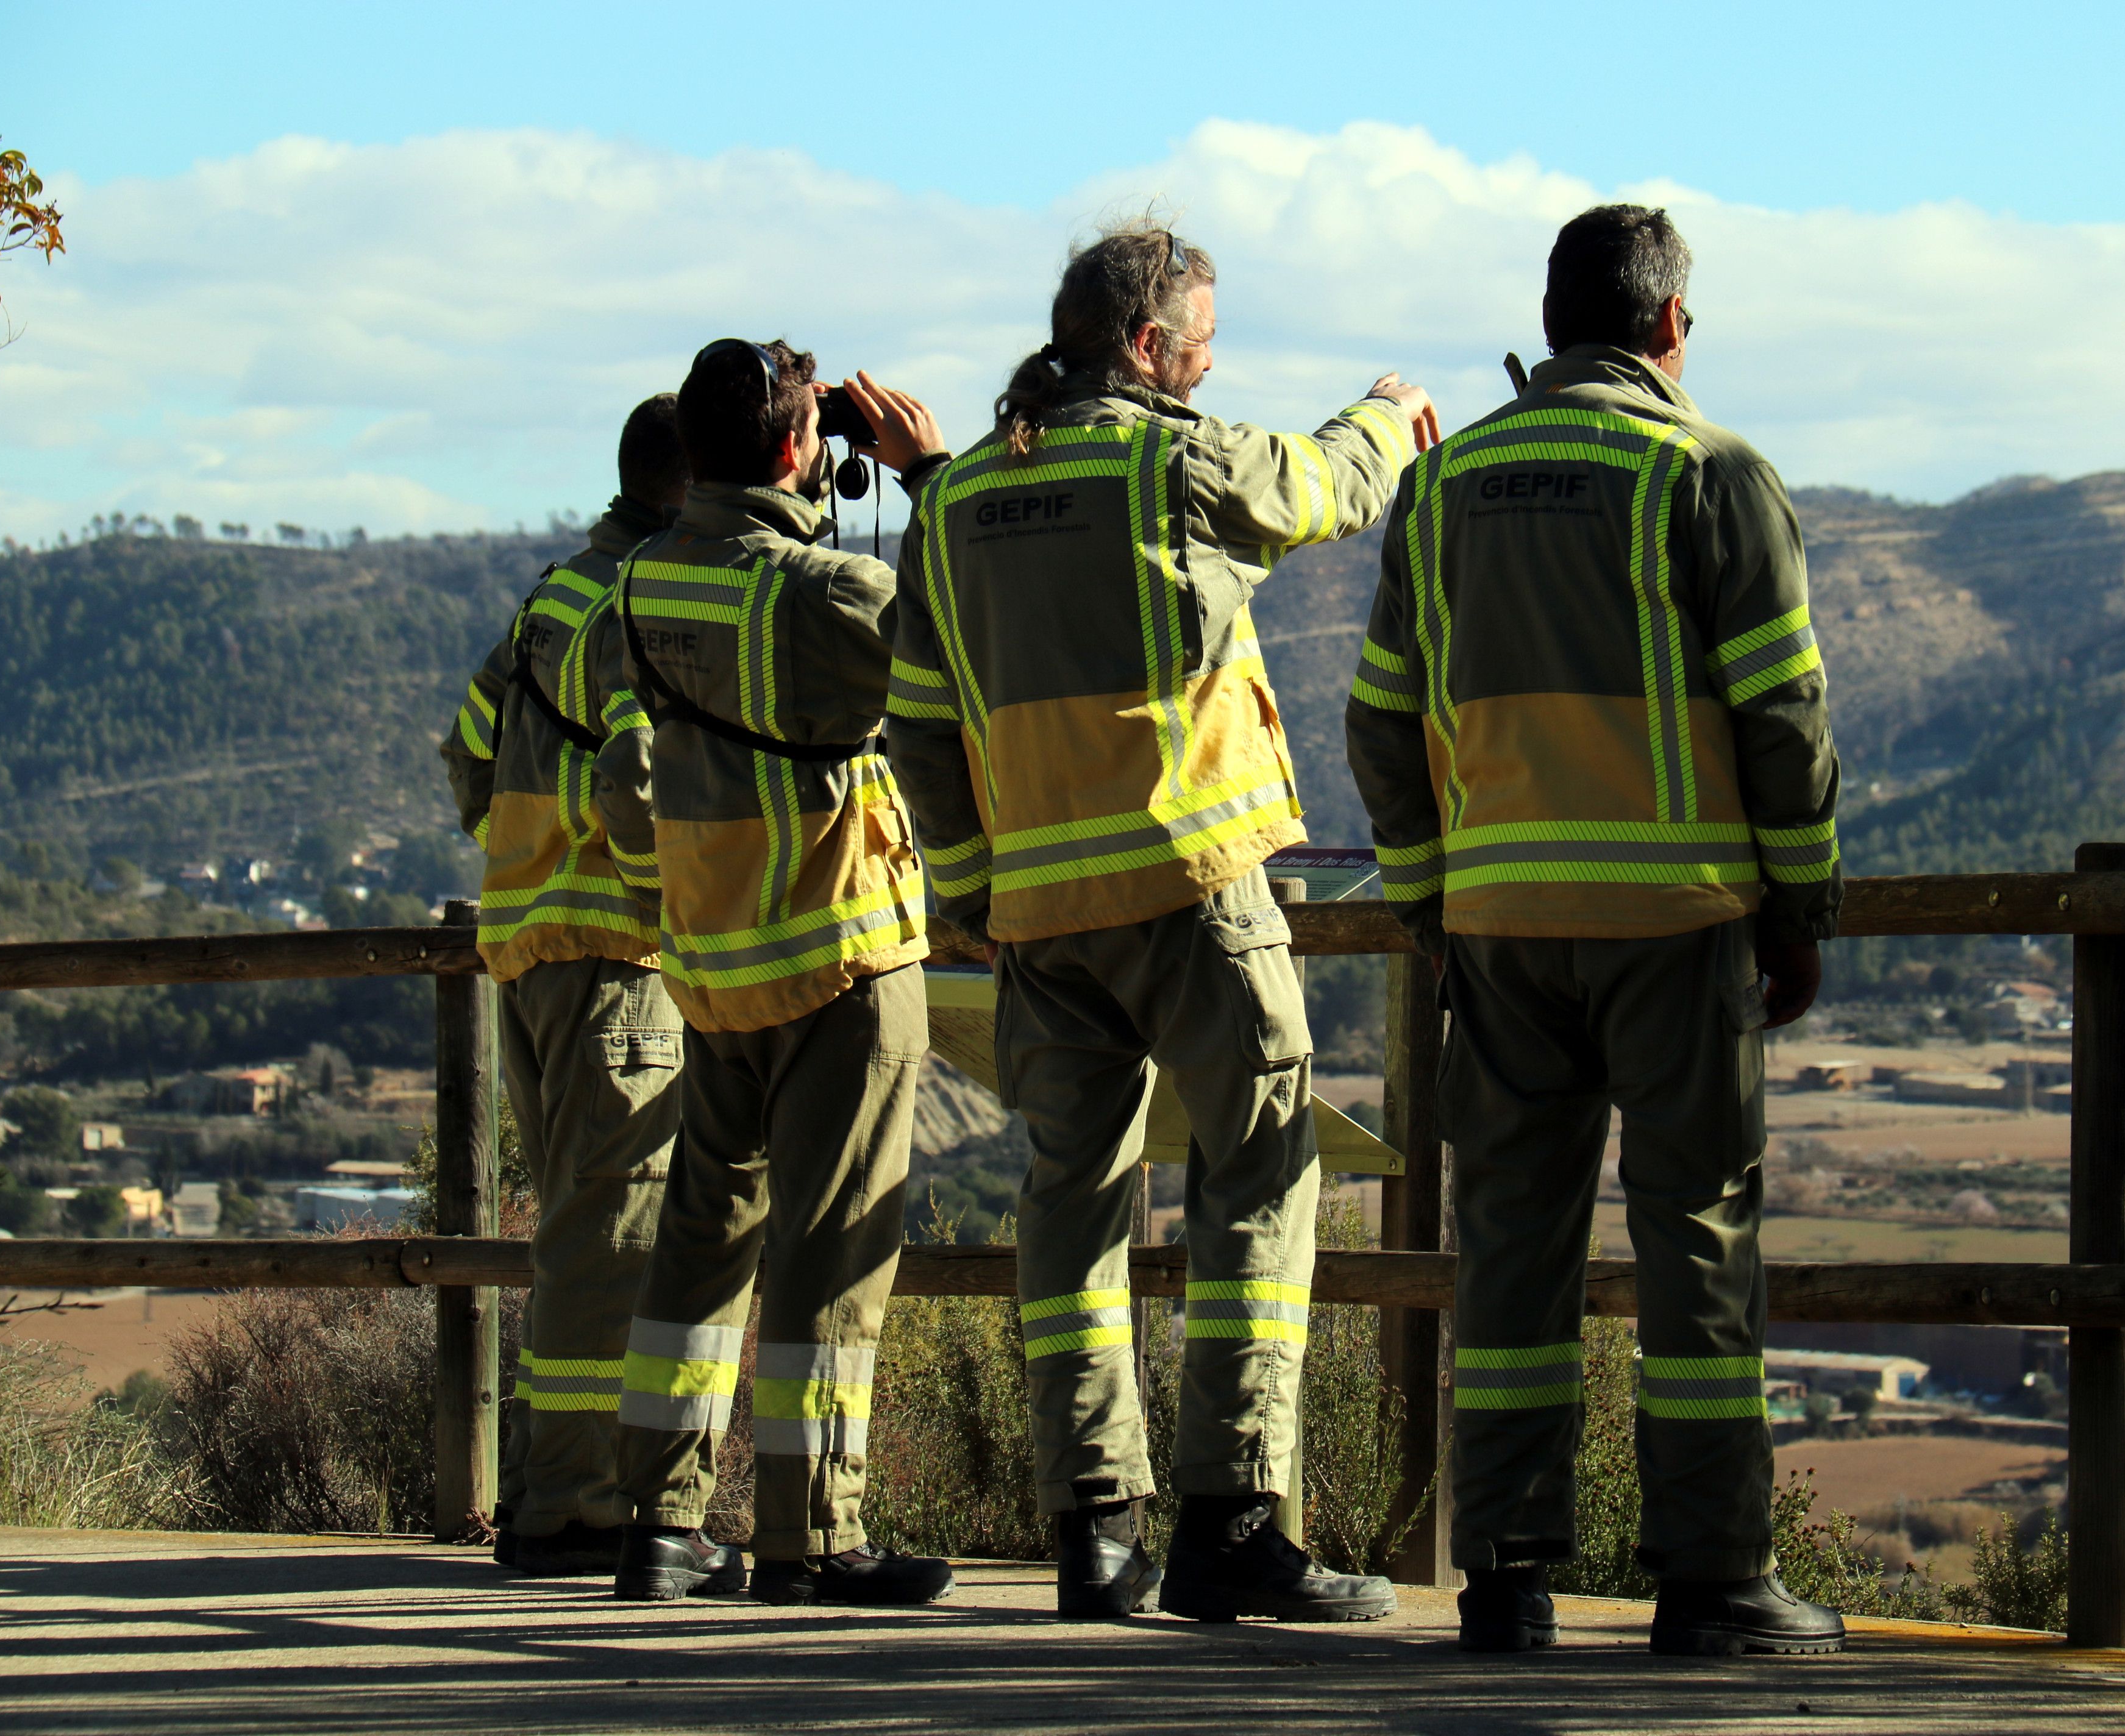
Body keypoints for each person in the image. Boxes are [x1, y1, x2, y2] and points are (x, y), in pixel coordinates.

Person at [888, 220, 1440, 1623]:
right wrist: (1388, 410)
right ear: (1147, 346)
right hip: (1193, 889)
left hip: (1041, 919)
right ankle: (1234, 1516)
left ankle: (1095, 1531)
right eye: (1201, 339)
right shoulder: (1174, 460)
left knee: (1068, 1206)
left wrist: (973, 899)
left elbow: (924, 734)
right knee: (1261, 1175)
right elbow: (1323, 485)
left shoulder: (950, 508)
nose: (1210, 360)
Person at [1345, 204, 1847, 1657]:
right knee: (1696, 1233)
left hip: (1498, 931)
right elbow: (1785, 718)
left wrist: (1429, 893)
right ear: (1672, 326)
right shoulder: (1709, 470)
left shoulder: (1442, 490)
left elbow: (1381, 722)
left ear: (1554, 321)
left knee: (1511, 1246)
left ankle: (1504, 1571)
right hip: (1678, 923)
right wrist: (1800, 905)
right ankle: (1711, 1580)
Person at [596, 337, 956, 1608]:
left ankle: (660, 1517)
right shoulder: (826, 597)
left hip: (711, 960)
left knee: (704, 1236)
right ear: (804, 449)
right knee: (829, 1246)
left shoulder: (639, 586)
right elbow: (968, 646)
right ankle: (812, 1532)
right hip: (837, 952)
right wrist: (931, 480)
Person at [441, 393, 691, 1576]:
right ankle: (571, 1504)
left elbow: (466, 750)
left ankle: (558, 1489)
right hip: (615, 962)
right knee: (609, 1247)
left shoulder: (553, 596)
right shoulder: (648, 602)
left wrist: (523, 850)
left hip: (527, 952)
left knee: (569, 1239)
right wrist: (666, 894)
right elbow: (641, 780)